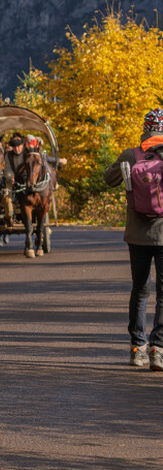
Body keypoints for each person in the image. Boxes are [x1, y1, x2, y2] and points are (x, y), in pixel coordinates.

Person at [103, 108, 163, 370]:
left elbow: (109, 179)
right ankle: (158, 349)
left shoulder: (131, 154)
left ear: (145, 128)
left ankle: (137, 347)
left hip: (137, 235)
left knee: (140, 290)